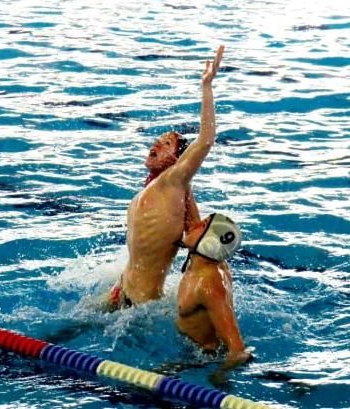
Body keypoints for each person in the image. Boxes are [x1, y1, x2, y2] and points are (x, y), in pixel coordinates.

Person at [107, 45, 225, 310]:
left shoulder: (173, 181)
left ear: (178, 161)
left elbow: (206, 140)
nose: (157, 144)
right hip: (120, 289)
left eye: (166, 144)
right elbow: (192, 231)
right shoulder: (160, 189)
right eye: (159, 140)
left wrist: (206, 86)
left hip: (139, 306)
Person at [177, 213, 252, 367]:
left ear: (209, 242)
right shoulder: (207, 263)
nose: (195, 224)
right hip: (193, 349)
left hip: (204, 359)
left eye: (203, 225)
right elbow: (191, 221)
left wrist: (219, 376)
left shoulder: (209, 283)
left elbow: (238, 351)